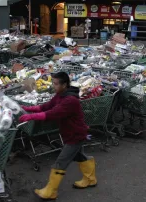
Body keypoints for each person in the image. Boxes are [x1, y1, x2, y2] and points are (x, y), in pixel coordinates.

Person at [19, 72, 97, 200]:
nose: (53, 86)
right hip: (71, 133)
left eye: (55, 84)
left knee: (60, 162)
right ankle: (90, 179)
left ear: (64, 84)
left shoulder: (70, 101)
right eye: (53, 83)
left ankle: (50, 191)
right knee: (80, 156)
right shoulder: (60, 95)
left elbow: (51, 114)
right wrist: (28, 108)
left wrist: (30, 116)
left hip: (75, 135)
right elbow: (46, 106)